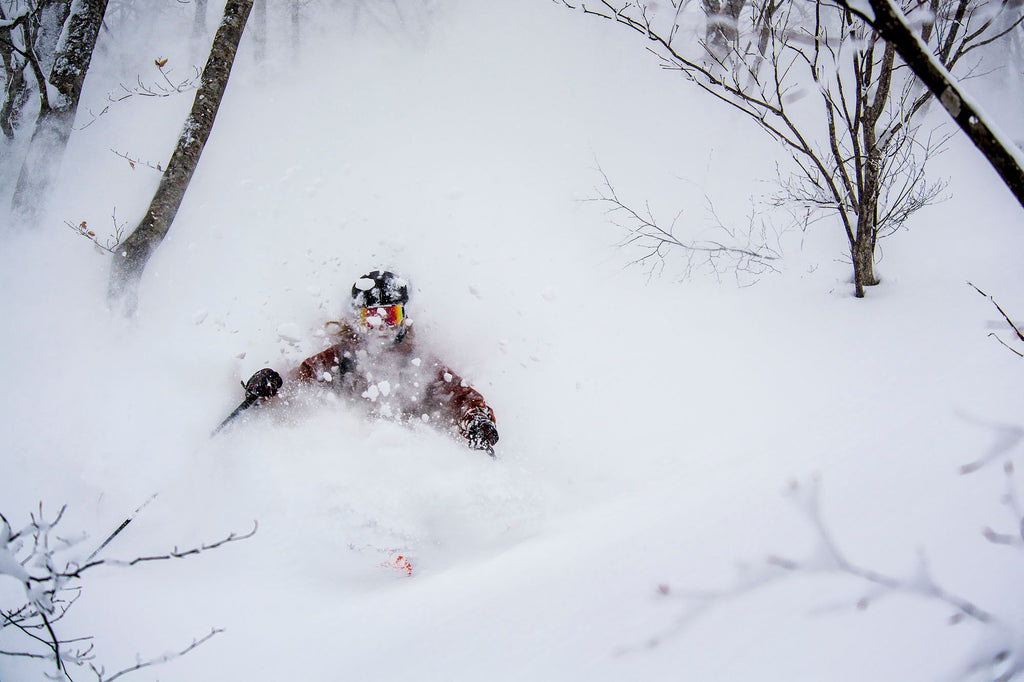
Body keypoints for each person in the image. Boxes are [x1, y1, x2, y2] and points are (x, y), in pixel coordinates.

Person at [240, 270, 499, 456]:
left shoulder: (420, 361)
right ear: (358, 319)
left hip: (406, 457)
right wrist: (272, 385)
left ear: (403, 316)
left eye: (390, 315)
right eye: (371, 317)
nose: (381, 326)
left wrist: (475, 419)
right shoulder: (341, 358)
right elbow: (300, 384)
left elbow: (461, 396)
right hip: (347, 456)